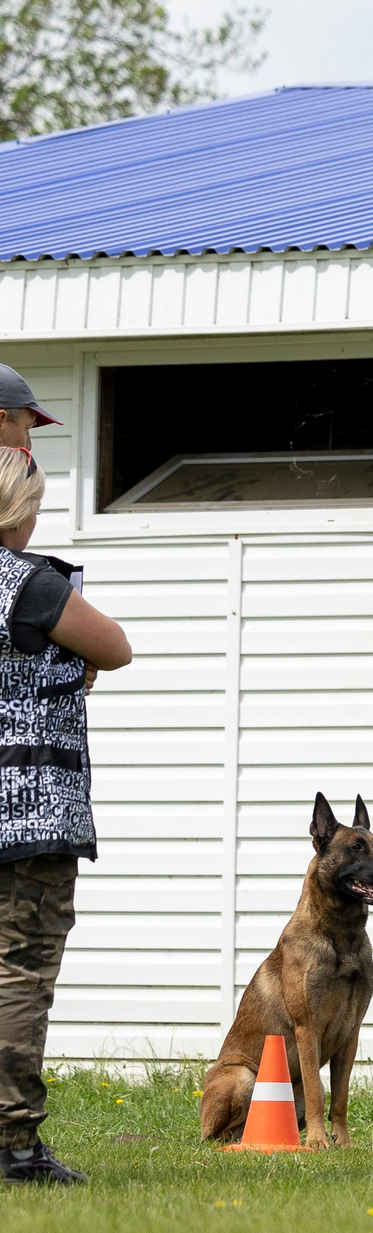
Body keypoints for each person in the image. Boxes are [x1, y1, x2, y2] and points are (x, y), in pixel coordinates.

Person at [0, 440, 132, 1184]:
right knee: (19, 975)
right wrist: (66, 659)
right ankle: (15, 1147)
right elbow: (114, 646)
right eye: (36, 506)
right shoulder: (24, 584)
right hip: (29, 812)